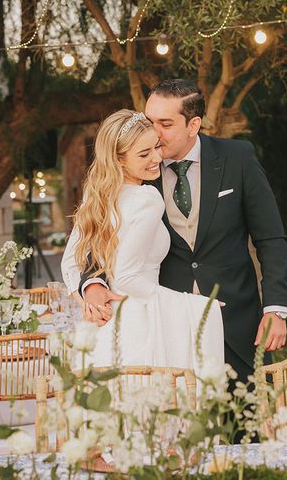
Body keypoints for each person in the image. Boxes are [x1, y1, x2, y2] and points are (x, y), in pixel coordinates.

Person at [82, 79, 287, 385]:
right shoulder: (136, 170)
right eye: (149, 121)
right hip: (167, 331)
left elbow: (270, 237)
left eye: (165, 124)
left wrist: (276, 308)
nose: (154, 133)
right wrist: (92, 283)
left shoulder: (237, 158)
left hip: (235, 323)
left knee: (249, 425)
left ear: (193, 124)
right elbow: (96, 234)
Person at [61, 108, 224, 371]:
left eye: (156, 147)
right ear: (119, 160)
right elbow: (126, 278)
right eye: (144, 154)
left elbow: (69, 265)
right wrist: (192, 305)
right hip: (140, 325)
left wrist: (90, 305)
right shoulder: (147, 198)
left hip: (105, 328)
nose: (157, 158)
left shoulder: (98, 200)